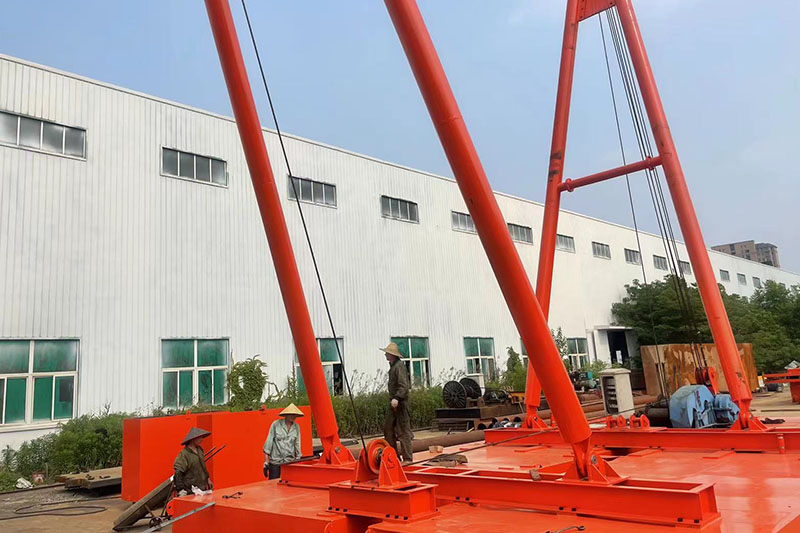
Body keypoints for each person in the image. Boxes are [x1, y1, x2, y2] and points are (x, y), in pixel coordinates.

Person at [380, 342, 413, 463]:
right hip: (394, 403)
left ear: (392, 355)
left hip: (400, 403)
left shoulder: (399, 367)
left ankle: (407, 459)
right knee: (388, 429)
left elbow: (404, 385)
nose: (385, 355)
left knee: (403, 432)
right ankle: (394, 457)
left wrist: (397, 398)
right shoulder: (393, 366)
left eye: (387, 353)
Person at [263, 403, 303, 479]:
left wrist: (298, 458)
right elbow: (268, 443)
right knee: (273, 484)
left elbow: (297, 443)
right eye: (291, 414)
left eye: (294, 415)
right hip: (276, 461)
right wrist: (266, 462)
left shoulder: (296, 427)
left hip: (289, 461)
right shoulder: (276, 424)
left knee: (289, 483)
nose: (293, 417)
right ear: (286, 415)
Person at [173, 427, 213, 496]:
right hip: (190, 490)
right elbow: (178, 474)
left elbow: (203, 466)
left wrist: (208, 479)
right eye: (200, 437)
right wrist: (181, 490)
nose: (202, 439)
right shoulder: (184, 454)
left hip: (202, 488)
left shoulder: (199, 450)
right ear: (193, 439)